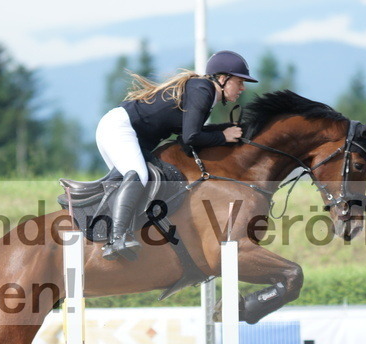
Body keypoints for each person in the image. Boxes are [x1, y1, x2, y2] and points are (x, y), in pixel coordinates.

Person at [95, 50, 257, 259]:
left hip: (126, 132)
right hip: (120, 128)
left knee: (137, 185)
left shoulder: (203, 91)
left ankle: (119, 233)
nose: (242, 88)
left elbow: (187, 137)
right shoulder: (203, 90)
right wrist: (222, 136)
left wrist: (223, 131)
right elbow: (191, 137)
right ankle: (116, 240)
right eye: (239, 82)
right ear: (223, 78)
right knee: (139, 176)